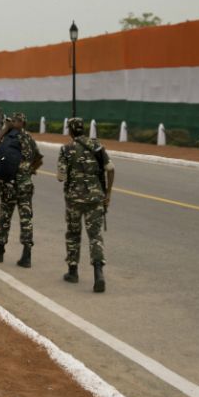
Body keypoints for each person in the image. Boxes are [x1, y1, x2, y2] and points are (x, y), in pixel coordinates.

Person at [56, 117, 115, 293]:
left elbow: (61, 177)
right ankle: (98, 274)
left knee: (73, 234)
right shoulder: (97, 146)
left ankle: (73, 272)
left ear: (70, 131)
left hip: (74, 200)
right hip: (95, 198)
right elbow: (110, 169)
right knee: (95, 235)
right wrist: (108, 193)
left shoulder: (66, 149)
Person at [0, 112, 42, 268]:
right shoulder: (29, 139)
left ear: (21, 123)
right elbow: (38, 158)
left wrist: (5, 129)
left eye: (14, 121)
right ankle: (26, 256)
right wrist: (31, 170)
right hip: (25, 185)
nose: (11, 123)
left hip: (9, 185)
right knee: (26, 219)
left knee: (5, 218)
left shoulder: (9, 137)